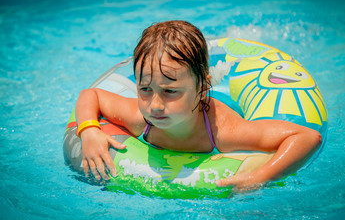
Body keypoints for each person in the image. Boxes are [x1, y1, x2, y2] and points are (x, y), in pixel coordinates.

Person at [75, 20, 322, 190]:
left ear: (202, 88)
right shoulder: (141, 118)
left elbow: (307, 137)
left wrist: (260, 177)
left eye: (170, 91)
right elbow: (91, 95)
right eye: (145, 89)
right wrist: (88, 130)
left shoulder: (223, 132)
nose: (155, 105)